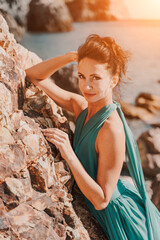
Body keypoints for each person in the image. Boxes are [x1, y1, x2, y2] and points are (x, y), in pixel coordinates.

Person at [25, 34, 160, 239]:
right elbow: (33, 76)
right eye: (81, 76)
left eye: (95, 78)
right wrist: (70, 57)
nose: (86, 86)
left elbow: (102, 200)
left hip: (121, 220)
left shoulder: (110, 129)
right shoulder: (81, 106)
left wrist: (69, 154)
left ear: (113, 80)